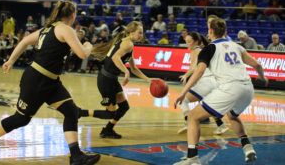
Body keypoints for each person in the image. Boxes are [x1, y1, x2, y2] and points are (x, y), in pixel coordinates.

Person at [0, 0, 100, 165]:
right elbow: (82, 54)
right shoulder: (65, 29)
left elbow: (24, 41)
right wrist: (89, 46)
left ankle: (76, 156)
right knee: (21, 119)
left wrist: (11, 61)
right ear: (73, 15)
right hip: (37, 79)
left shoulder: (47, 29)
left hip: (51, 81)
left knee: (71, 112)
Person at [173, 17, 268, 165]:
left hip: (230, 88)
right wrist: (263, 78)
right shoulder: (236, 46)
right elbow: (257, 64)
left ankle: (192, 158)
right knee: (232, 115)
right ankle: (248, 147)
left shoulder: (209, 49)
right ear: (226, 31)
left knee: (192, 116)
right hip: (248, 89)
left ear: (210, 31)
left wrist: (183, 92)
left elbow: (198, 73)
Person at [78, 21, 155, 139]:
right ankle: (79, 113)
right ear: (131, 32)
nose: (141, 35)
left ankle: (107, 130)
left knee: (124, 107)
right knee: (110, 113)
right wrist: (126, 71)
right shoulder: (127, 44)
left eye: (142, 33)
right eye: (139, 33)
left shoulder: (129, 44)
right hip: (106, 80)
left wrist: (147, 79)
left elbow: (134, 68)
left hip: (111, 79)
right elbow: (115, 58)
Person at [177, 32, 228, 135]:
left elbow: (193, 65)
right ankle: (221, 125)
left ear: (196, 42)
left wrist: (186, 75)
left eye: (189, 42)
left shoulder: (195, 51)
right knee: (206, 104)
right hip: (214, 82)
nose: (187, 44)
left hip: (206, 82)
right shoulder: (204, 50)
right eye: (186, 42)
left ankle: (187, 122)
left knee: (182, 100)